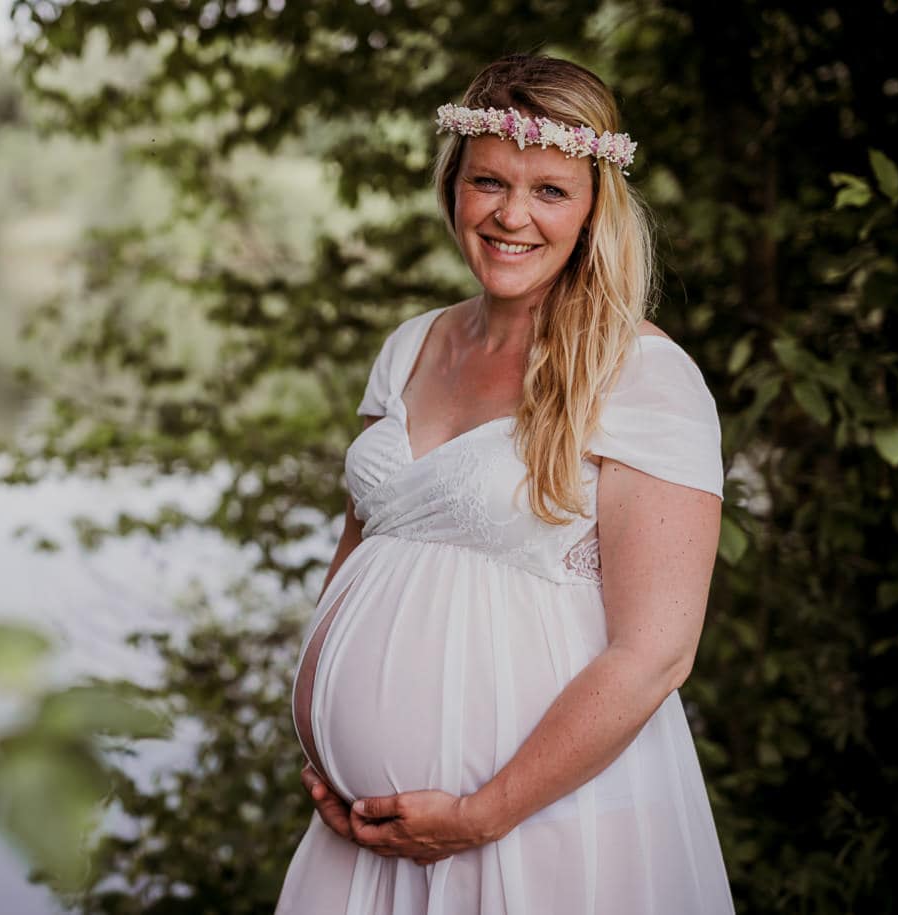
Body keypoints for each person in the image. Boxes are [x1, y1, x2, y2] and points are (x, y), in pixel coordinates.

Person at [275, 54, 735, 914]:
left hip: (541, 826)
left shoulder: (641, 374)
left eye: (550, 191)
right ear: (453, 186)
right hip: (366, 834)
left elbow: (655, 654)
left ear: (595, 205)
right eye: (488, 181)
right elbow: (361, 547)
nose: (511, 215)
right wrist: (326, 738)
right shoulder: (411, 345)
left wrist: (484, 813)